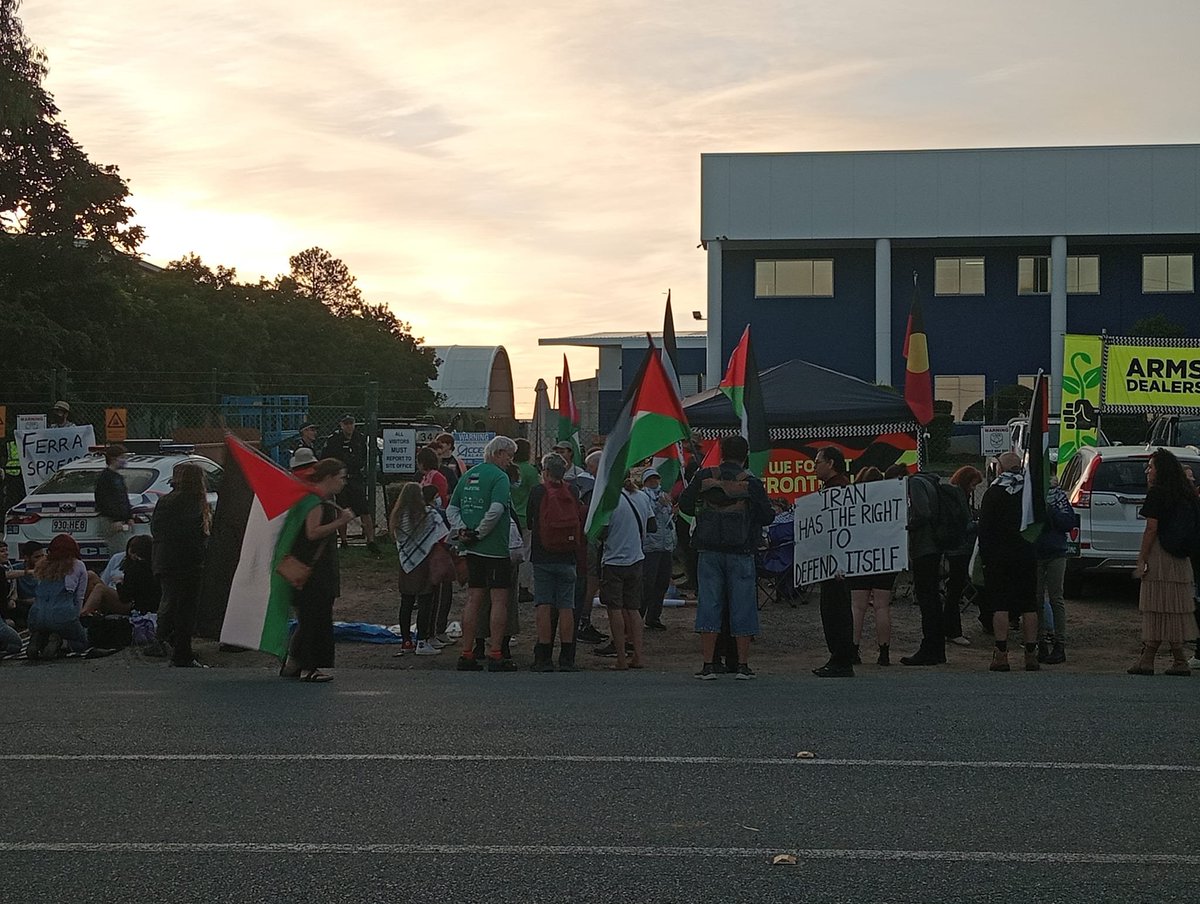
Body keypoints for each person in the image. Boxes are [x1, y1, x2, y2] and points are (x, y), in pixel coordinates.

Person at [679, 434, 773, 680]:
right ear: (745, 455)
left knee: (709, 605)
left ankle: (709, 664)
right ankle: (742, 665)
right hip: (741, 551)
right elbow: (767, 516)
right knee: (743, 606)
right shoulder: (750, 482)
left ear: (721, 454)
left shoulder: (704, 476)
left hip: (708, 550)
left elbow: (685, 506)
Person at [280, 459, 355, 682]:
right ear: (329, 477)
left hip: (314, 567)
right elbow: (312, 532)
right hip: (315, 571)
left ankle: (295, 664)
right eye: (341, 477)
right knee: (316, 618)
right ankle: (309, 667)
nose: (343, 482)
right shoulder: (316, 502)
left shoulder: (313, 499)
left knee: (310, 618)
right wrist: (341, 521)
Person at [448, 435, 517, 672]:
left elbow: (452, 507)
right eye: (509, 455)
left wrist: (462, 529)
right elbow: (497, 509)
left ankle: (467, 653)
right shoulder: (500, 477)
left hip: (471, 549)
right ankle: (496, 653)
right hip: (494, 548)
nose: (510, 460)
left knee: (473, 598)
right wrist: (480, 532)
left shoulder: (468, 475)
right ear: (498, 453)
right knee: (499, 600)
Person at [1129, 448, 1196, 676]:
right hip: (1180, 557)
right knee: (1173, 608)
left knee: (1156, 606)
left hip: (1160, 554)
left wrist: (1142, 557)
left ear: (1161, 470)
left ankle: (1156, 659)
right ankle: (1171, 659)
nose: (1148, 471)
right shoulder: (1187, 493)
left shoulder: (1157, 494)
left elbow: (1151, 528)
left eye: (1151, 467)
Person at [977, 451, 1039, 672]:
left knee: (1000, 605)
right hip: (1027, 554)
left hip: (999, 558)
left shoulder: (994, 492)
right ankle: (1031, 654)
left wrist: (985, 558)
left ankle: (1001, 653)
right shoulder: (1030, 492)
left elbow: (983, 529)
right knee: (1029, 605)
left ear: (1000, 469)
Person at [151, 462, 212, 668]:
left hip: (164, 559)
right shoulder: (194, 502)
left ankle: (163, 639)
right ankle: (182, 652)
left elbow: (156, 529)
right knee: (186, 608)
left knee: (170, 601)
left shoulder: (166, 500)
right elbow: (195, 536)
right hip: (188, 562)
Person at [527, 453, 582, 672]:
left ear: (546, 472)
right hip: (568, 556)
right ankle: (567, 657)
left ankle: (544, 656)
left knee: (544, 604)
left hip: (542, 555)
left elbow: (531, 521)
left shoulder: (538, 492)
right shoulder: (573, 491)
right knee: (566, 606)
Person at [596, 472, 655, 671]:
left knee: (614, 609)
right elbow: (652, 525)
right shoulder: (642, 497)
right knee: (633, 609)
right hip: (636, 558)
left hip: (614, 560)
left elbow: (602, 532)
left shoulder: (609, 500)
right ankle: (638, 655)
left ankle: (621, 657)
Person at [811, 447, 856, 677]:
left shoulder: (837, 489)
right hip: (832, 561)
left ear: (830, 463)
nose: (814, 466)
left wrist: (839, 561)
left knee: (835, 610)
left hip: (836, 564)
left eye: (817, 462)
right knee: (834, 609)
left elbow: (840, 528)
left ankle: (841, 658)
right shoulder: (836, 486)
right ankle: (841, 656)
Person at [388, 481, 448, 656]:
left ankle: (406, 641)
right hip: (424, 562)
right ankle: (422, 641)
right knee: (425, 603)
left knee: (406, 603)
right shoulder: (428, 514)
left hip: (406, 562)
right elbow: (442, 534)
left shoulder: (397, 516)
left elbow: (398, 538)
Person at [847, 466, 896, 666]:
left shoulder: (853, 502)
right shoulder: (890, 501)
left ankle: (853, 650)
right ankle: (884, 653)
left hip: (860, 558)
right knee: (882, 606)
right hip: (884, 558)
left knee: (857, 607)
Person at [899, 469, 949, 667]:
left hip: (924, 548)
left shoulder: (915, 484)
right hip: (933, 547)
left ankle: (929, 648)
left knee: (927, 601)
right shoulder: (930, 482)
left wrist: (904, 526)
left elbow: (923, 512)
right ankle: (937, 649)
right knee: (933, 601)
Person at [1034, 476, 1079, 665]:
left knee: (1056, 597)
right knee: (1035, 598)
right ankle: (1040, 641)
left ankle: (1059, 643)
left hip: (1055, 552)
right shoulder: (1031, 496)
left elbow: (1069, 522)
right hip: (1036, 552)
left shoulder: (1059, 498)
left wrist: (1051, 511)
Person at [26, 534, 91, 660]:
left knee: (44, 628)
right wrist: (76, 618)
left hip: (36, 616)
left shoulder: (42, 565)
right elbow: (79, 597)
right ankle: (62, 642)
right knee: (82, 643)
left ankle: (38, 638)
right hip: (61, 615)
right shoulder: (78, 565)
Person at [322, 415, 378, 554]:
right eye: (346, 424)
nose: (349, 427)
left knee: (364, 509)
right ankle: (344, 540)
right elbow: (328, 458)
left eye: (351, 423)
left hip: (355, 477)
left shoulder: (359, 438)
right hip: (340, 478)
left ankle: (370, 540)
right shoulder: (334, 439)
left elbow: (362, 458)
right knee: (342, 508)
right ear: (341, 425)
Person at [943, 466, 983, 648]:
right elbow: (962, 525)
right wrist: (978, 525)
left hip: (954, 549)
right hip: (960, 549)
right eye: (974, 485)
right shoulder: (958, 498)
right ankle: (953, 631)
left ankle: (950, 629)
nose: (974, 489)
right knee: (955, 590)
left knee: (954, 590)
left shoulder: (953, 496)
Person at [574, 449, 607, 644]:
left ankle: (582, 621)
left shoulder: (580, 483)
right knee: (590, 580)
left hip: (582, 540)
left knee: (588, 581)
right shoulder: (594, 485)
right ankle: (583, 621)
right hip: (591, 541)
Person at [83, 534, 159, 617]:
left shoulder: (135, 569)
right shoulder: (155, 566)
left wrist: (118, 582)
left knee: (100, 588)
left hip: (133, 605)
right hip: (136, 600)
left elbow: (125, 597)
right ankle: (92, 610)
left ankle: (84, 613)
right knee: (91, 576)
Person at [639, 467, 676, 631]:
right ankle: (638, 616)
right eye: (651, 479)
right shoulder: (643, 497)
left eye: (656, 479)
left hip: (665, 546)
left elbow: (667, 520)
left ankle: (654, 617)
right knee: (647, 584)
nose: (654, 482)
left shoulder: (664, 496)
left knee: (662, 583)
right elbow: (646, 517)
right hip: (650, 547)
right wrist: (659, 506)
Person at [511, 438, 539, 603]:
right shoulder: (530, 471)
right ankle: (524, 587)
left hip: (510, 516)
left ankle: (511, 585)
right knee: (526, 553)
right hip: (526, 517)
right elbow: (536, 493)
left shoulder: (509, 470)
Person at [94, 444, 133, 557]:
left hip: (121, 521)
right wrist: (115, 519)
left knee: (123, 549)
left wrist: (129, 516)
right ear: (113, 458)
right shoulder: (105, 478)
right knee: (119, 552)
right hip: (111, 521)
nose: (125, 460)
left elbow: (123, 499)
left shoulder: (118, 477)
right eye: (123, 457)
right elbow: (104, 500)